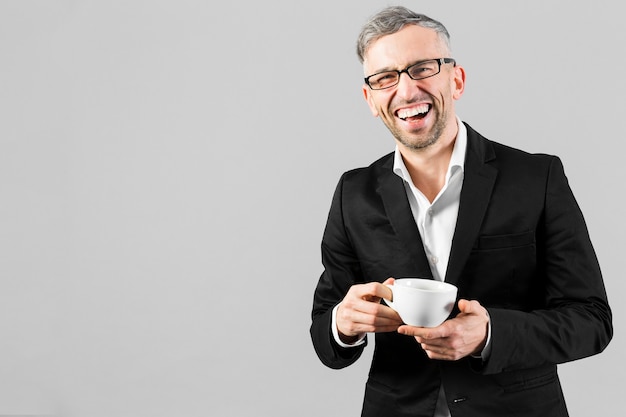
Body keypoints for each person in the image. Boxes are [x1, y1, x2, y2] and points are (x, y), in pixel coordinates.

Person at [309, 5, 613, 417]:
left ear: (457, 79)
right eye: (385, 78)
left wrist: (490, 334)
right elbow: (327, 338)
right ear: (370, 98)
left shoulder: (536, 177)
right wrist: (343, 324)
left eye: (422, 68)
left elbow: (592, 321)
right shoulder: (353, 193)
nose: (406, 90)